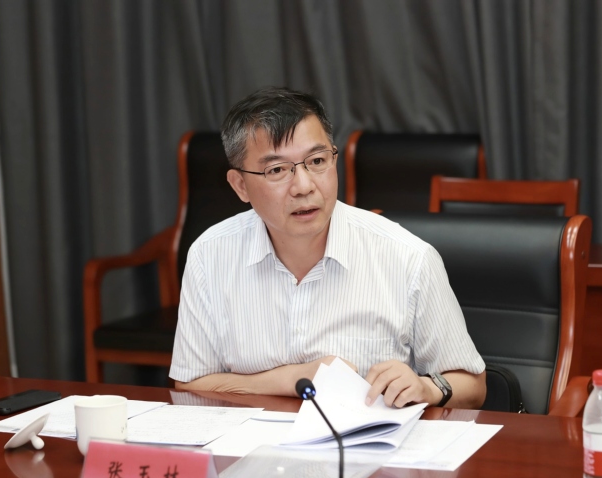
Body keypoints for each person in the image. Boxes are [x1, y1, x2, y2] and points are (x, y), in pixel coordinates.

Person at [169, 87, 486, 409]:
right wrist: (293, 379)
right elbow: (190, 384)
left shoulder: (409, 258)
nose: (304, 186)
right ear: (240, 186)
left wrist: (427, 388)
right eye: (277, 170)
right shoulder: (210, 255)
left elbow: (473, 386)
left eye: (317, 161)